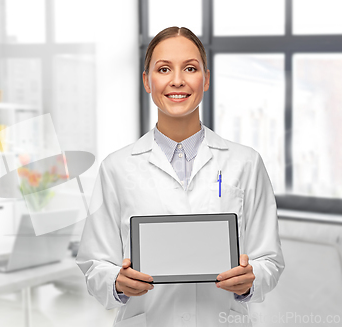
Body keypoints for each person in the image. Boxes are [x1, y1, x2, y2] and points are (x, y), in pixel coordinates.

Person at [76, 26, 285, 327]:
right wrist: (118, 283)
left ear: (206, 79)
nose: (177, 80)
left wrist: (250, 280)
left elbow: (270, 259)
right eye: (163, 69)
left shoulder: (246, 163)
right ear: (147, 81)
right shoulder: (116, 168)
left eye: (190, 68)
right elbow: (94, 263)